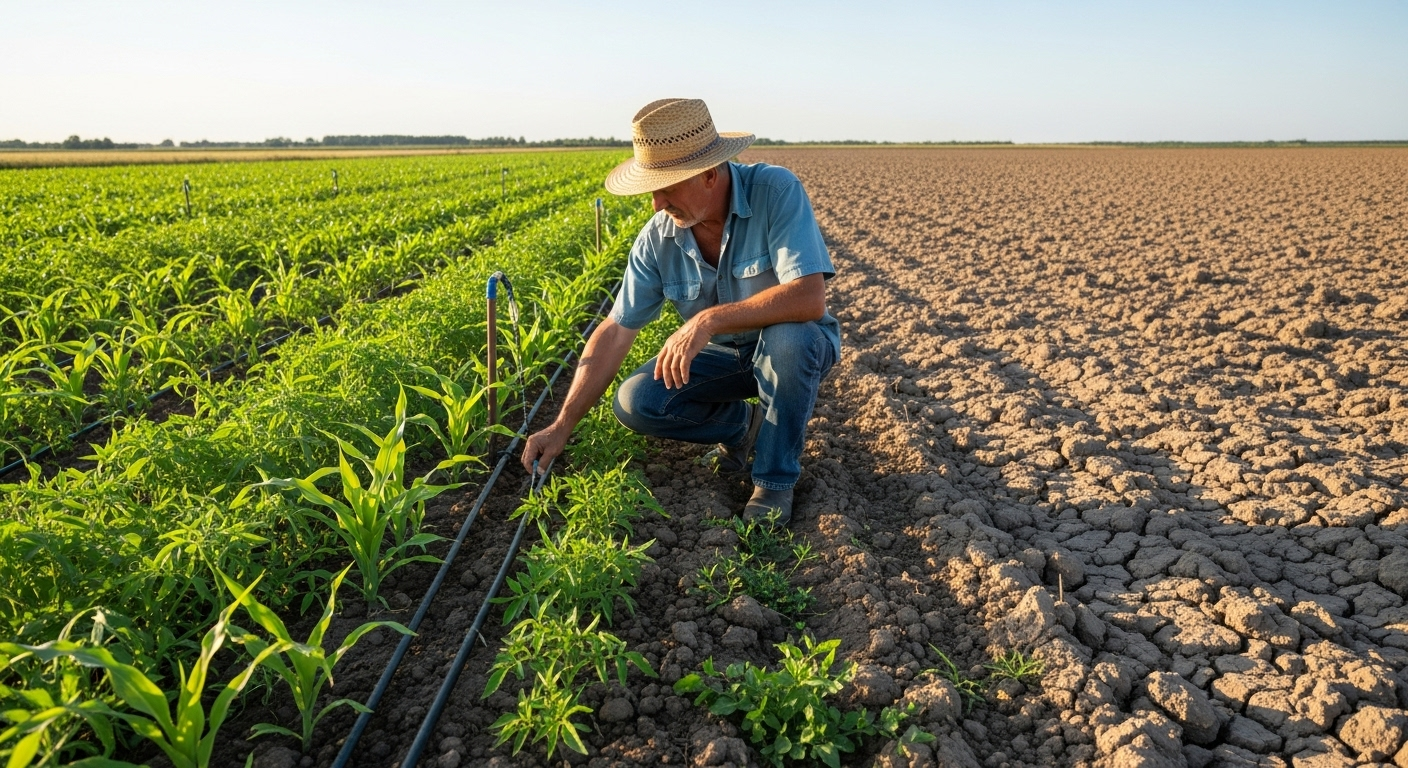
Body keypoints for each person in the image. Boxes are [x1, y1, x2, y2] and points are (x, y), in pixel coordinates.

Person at [520, 98, 840, 526]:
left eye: (666, 187)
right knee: (638, 401)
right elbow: (616, 329)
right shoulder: (658, 238)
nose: (656, 203)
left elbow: (808, 298)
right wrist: (560, 424)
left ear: (709, 174)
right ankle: (745, 427)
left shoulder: (775, 192)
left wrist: (708, 319)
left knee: (789, 339)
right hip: (727, 360)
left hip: (793, 348)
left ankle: (774, 480)